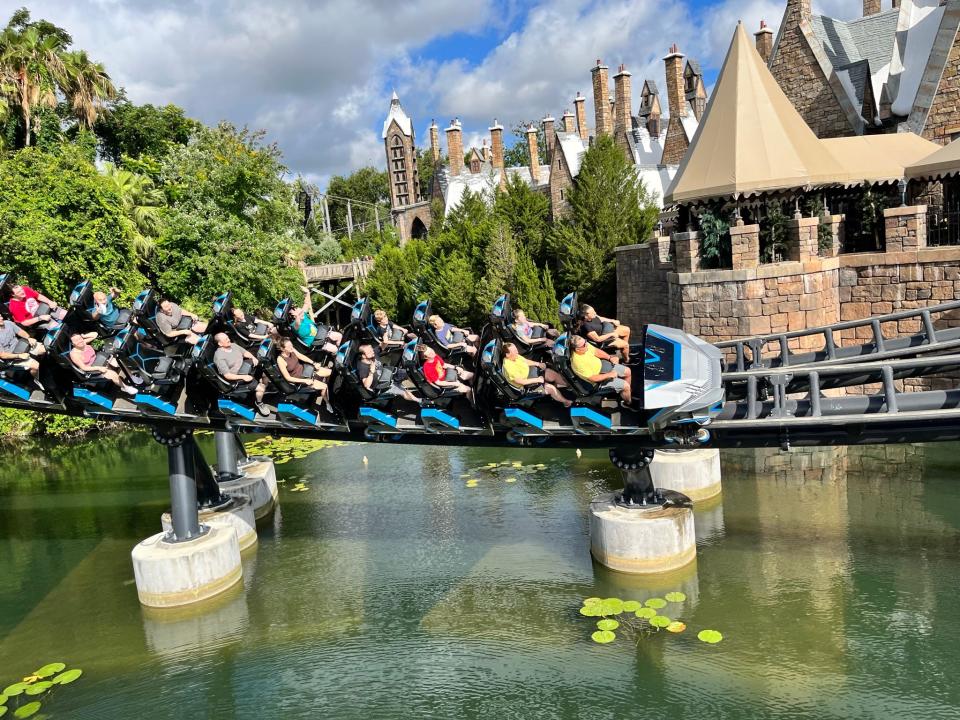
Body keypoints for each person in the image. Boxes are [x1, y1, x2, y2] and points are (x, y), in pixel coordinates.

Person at [213, 332, 269, 416]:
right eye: (226, 339)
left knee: (265, 373)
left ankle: (262, 391)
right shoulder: (219, 357)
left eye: (228, 338)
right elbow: (227, 375)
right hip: (238, 378)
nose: (228, 340)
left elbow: (245, 352)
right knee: (261, 388)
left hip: (246, 367)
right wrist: (244, 377)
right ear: (220, 343)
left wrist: (253, 358)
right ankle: (259, 403)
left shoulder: (233, 345)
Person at [501, 342, 571, 407]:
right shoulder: (509, 367)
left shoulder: (515, 356)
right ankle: (566, 402)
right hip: (526, 386)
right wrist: (538, 379)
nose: (517, 352)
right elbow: (522, 382)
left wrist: (538, 364)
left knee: (552, 374)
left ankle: (570, 386)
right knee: (551, 389)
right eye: (515, 351)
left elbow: (525, 361)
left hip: (531, 373)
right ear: (507, 354)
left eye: (516, 349)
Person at [276, 337, 334, 412]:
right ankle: (327, 403)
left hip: (306, 370)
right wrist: (305, 381)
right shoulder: (280, 360)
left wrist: (314, 363)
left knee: (330, 372)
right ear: (283, 349)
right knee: (324, 387)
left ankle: (326, 391)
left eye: (291, 345)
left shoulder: (291, 349)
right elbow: (288, 378)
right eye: (289, 347)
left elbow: (301, 356)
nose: (292, 348)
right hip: (300, 378)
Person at [569, 334, 632, 404]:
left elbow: (596, 351)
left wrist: (610, 358)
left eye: (586, 342)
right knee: (625, 386)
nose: (587, 345)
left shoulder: (584, 346)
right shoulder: (577, 362)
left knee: (628, 371)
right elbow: (592, 378)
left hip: (602, 366)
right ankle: (628, 402)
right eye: (584, 345)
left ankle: (625, 392)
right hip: (598, 381)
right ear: (577, 349)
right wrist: (609, 375)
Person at [68, 332, 136, 395]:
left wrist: (84, 336)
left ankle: (132, 377)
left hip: (99, 359)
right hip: (91, 368)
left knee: (119, 362)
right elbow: (84, 368)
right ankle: (125, 387)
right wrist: (99, 368)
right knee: (113, 374)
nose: (79, 341)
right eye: (76, 340)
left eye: (80, 338)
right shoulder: (74, 354)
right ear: (73, 344)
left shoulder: (83, 343)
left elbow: (95, 334)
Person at [290, 287, 342, 354]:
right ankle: (335, 357)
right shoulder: (294, 325)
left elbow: (306, 304)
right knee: (335, 349)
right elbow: (298, 324)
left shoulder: (303, 315)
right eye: (300, 314)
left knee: (339, 336)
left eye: (302, 312)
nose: (303, 313)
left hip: (320, 333)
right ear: (295, 316)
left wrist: (307, 293)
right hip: (314, 342)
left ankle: (340, 349)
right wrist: (297, 316)